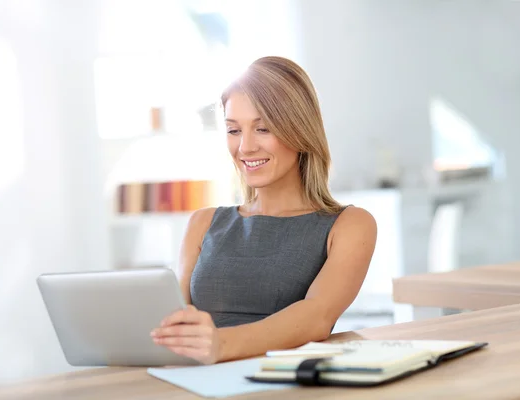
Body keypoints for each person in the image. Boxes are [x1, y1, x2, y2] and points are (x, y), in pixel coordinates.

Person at [150, 56, 377, 365]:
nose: (245, 147)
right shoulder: (203, 223)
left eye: (263, 128)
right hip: (196, 382)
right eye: (233, 131)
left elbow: (317, 317)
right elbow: (175, 319)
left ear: (299, 129)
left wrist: (221, 344)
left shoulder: (350, 225)